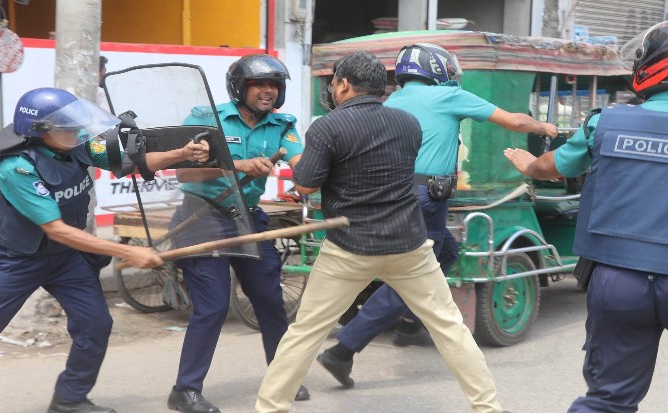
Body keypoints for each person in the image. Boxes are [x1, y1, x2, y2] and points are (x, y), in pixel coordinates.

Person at [255, 51, 509, 413]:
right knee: (449, 326)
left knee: (305, 333)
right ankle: (488, 407)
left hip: (349, 247)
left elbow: (307, 186)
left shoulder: (327, 126)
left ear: (343, 84)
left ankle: (270, 408)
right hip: (409, 244)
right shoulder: (407, 123)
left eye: (334, 82)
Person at [0, 87, 208, 413]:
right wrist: (128, 252)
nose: (77, 132)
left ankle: (69, 398)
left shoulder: (79, 146)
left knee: (95, 324)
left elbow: (131, 163)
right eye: (66, 127)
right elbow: (57, 229)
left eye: (76, 125)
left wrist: (182, 154)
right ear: (39, 132)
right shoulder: (16, 168)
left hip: (64, 259)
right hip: (14, 261)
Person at [317, 42, 558, 384]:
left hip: (392, 194)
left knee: (447, 251)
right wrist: (543, 128)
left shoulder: (392, 99)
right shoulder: (448, 95)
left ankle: (410, 324)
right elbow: (514, 121)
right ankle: (343, 350)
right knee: (412, 277)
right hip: (425, 198)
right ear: (436, 69)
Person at [503, 21, 668, 413]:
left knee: (608, 399)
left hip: (619, 281)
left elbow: (552, 166)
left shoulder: (605, 123)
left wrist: (529, 167)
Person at [167, 54, 307, 413]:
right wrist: (238, 165)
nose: (268, 91)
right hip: (202, 219)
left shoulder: (283, 124)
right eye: (259, 84)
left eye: (274, 85)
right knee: (212, 307)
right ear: (240, 88)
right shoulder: (205, 118)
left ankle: (283, 377)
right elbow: (185, 173)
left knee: (270, 301)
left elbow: (301, 167)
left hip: (250, 220)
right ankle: (185, 391)